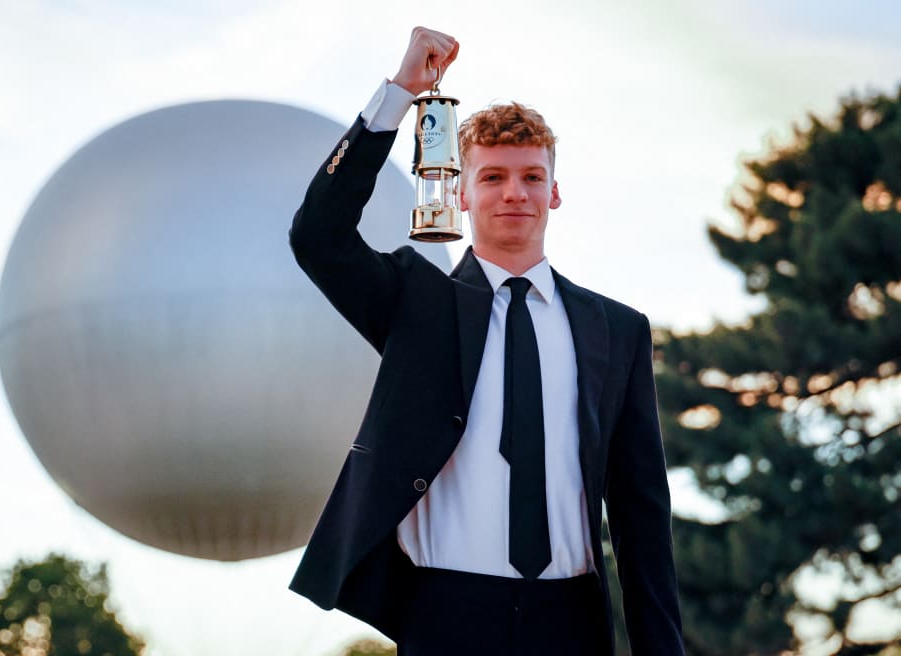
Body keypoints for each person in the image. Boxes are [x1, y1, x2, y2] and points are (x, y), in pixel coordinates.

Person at [288, 26, 684, 656]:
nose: (514, 193)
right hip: (445, 613)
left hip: (572, 619)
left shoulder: (617, 328)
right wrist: (399, 94)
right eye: (493, 177)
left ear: (554, 192)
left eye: (531, 177)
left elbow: (640, 512)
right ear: (463, 193)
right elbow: (318, 235)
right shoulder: (416, 302)